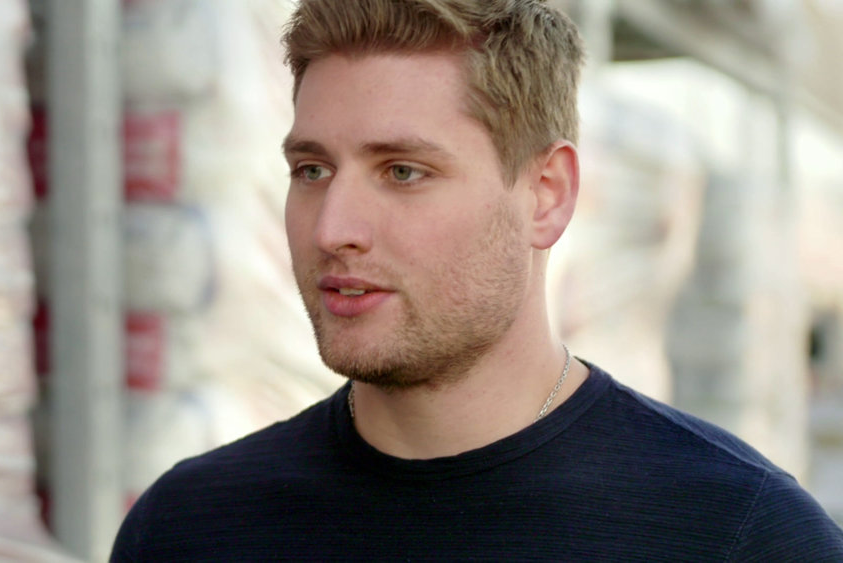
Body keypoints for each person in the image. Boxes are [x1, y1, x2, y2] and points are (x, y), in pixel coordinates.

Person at [111, 0, 843, 560]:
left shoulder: (737, 534)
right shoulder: (189, 526)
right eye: (312, 170)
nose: (333, 227)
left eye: (403, 171)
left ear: (546, 195)